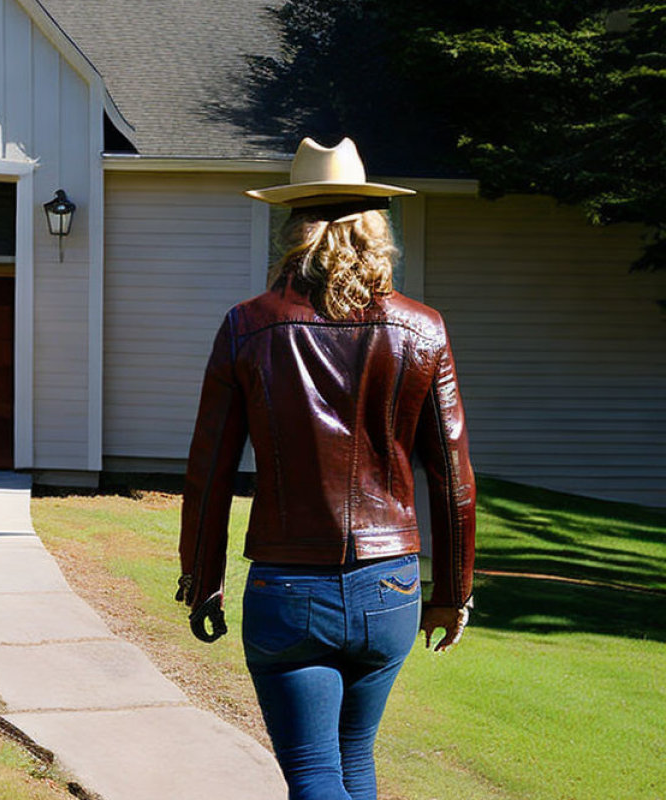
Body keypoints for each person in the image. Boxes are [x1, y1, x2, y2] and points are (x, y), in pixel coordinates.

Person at [177, 137, 475, 800]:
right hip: (390, 588)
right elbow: (452, 475)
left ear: (293, 230)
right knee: (354, 760)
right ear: (376, 227)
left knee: (315, 774)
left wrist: (200, 578)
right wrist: (453, 591)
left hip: (289, 589)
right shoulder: (422, 329)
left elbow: (210, 471)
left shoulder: (247, 328)